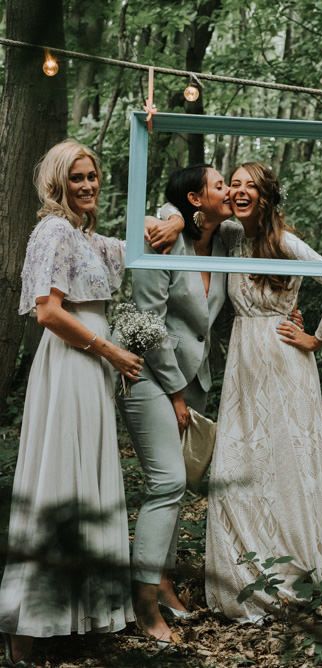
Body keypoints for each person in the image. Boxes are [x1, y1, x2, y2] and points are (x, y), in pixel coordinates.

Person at [0, 140, 141, 664]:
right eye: (77, 178)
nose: (87, 185)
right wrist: (110, 350)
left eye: (93, 176)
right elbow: (48, 313)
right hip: (71, 367)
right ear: (57, 183)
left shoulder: (88, 238)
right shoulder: (55, 231)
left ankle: (76, 617)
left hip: (92, 371)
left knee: (87, 481)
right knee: (59, 476)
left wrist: (174, 220)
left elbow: (144, 243)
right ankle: (26, 629)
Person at [204, 162, 322, 622]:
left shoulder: (286, 243)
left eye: (252, 186)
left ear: (267, 197)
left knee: (288, 460)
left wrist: (318, 338)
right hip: (243, 365)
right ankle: (246, 573)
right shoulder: (230, 236)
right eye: (236, 184)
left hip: (286, 361)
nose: (241, 191)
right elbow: (190, 216)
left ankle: (299, 571)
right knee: (240, 458)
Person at [115, 164, 235, 643]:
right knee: (165, 482)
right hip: (149, 376)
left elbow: (259, 217)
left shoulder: (221, 238)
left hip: (195, 377)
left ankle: (163, 581)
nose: (229, 191)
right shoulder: (159, 236)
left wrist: (188, 219)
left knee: (179, 485)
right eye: (220, 185)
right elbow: (149, 322)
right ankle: (144, 604)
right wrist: (175, 393)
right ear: (194, 196)